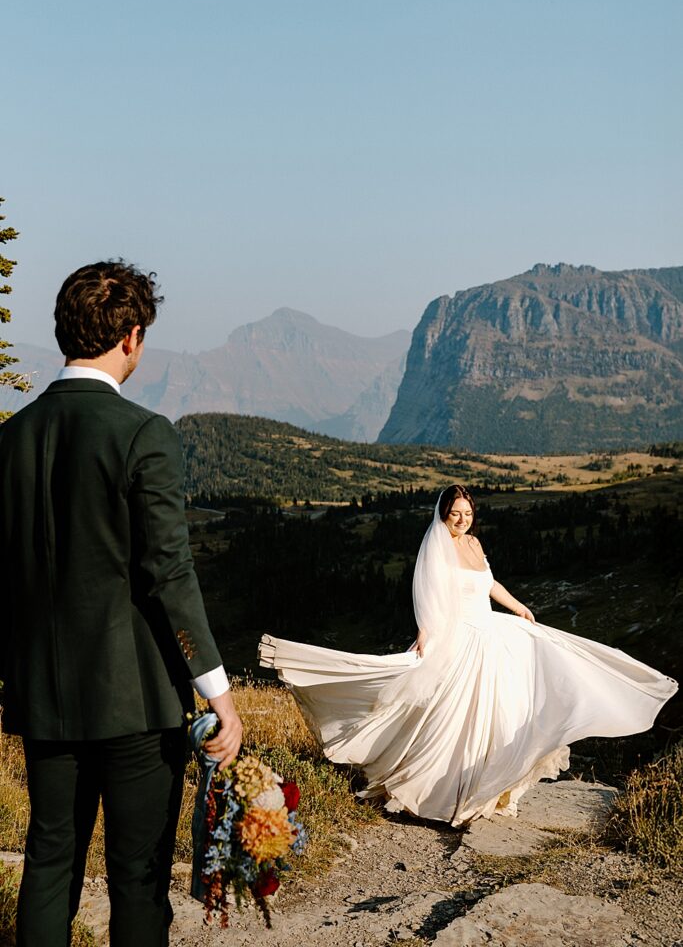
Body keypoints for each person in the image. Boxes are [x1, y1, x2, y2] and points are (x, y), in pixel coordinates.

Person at [0, 261, 243, 947]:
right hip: (136, 700)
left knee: (49, 865)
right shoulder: (144, 434)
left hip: (43, 697)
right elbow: (169, 573)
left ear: (62, 333)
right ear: (132, 336)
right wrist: (218, 692)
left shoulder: (10, 441)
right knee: (137, 878)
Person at [259, 484, 677, 826]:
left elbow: (490, 585)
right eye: (455, 513)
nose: (462, 520)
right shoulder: (438, 546)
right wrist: (426, 634)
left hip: (493, 631)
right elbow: (426, 594)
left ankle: (492, 786)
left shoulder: (475, 544)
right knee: (455, 718)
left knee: (514, 701)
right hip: (460, 637)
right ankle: (443, 789)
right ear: (443, 514)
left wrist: (519, 607)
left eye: (467, 513)